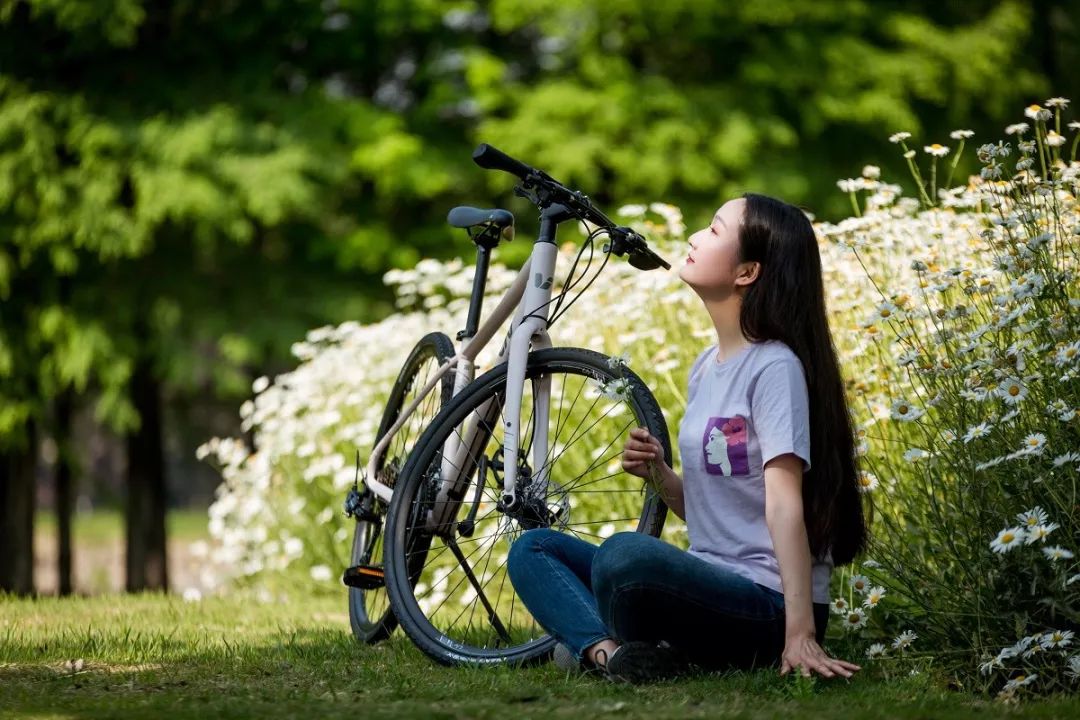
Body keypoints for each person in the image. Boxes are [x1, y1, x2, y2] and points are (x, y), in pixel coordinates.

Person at [506, 193, 868, 683]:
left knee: (623, 554)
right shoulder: (705, 368)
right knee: (534, 549)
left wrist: (800, 632)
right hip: (707, 585)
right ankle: (614, 655)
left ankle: (596, 639)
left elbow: (785, 506)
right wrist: (658, 473)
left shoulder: (775, 367)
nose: (696, 237)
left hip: (765, 603)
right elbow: (709, 514)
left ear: (747, 273)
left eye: (716, 230)